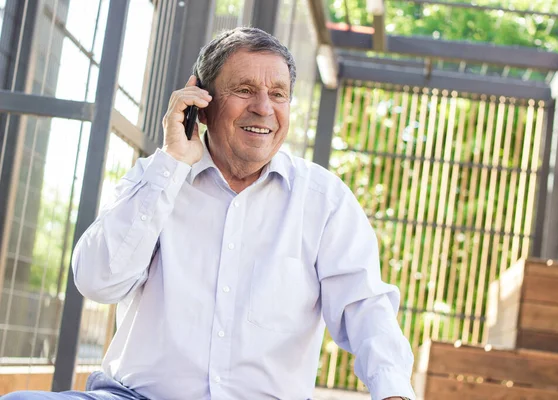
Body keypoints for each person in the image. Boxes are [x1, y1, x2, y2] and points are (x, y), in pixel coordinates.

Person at [4, 27, 415, 400]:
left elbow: (366, 307)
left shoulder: (325, 200)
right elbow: (96, 281)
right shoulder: (155, 178)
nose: (263, 108)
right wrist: (172, 163)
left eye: (278, 94)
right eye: (244, 89)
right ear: (201, 104)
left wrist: (393, 391)